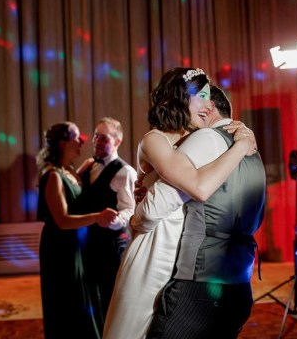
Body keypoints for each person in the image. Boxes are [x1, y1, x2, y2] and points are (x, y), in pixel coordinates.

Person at [103, 69, 257, 339]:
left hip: (185, 253)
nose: (209, 106)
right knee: (132, 326)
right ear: (180, 98)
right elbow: (198, 187)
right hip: (154, 247)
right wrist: (240, 147)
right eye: (203, 97)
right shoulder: (155, 139)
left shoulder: (198, 137)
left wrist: (241, 131)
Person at [147, 86, 266, 338]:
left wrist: (138, 213)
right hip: (239, 283)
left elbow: (159, 204)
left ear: (208, 106)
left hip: (200, 285)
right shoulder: (252, 150)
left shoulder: (206, 138)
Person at [36, 121, 118, 339]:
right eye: (76, 137)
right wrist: (97, 217)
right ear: (63, 143)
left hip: (77, 243)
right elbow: (62, 221)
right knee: (68, 298)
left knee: (82, 295)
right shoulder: (53, 176)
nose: (82, 140)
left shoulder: (70, 171)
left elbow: (75, 193)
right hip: (61, 247)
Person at [79, 117, 138, 324]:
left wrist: (112, 221)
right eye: (96, 136)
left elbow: (129, 209)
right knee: (90, 299)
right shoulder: (88, 167)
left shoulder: (125, 172)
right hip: (88, 243)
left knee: (112, 299)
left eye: (103, 138)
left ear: (117, 141)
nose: (97, 141)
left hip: (111, 246)